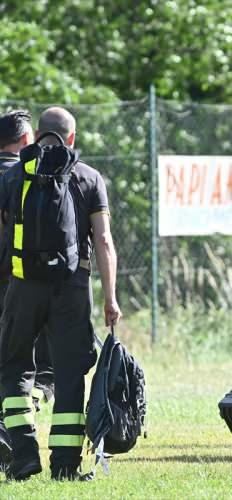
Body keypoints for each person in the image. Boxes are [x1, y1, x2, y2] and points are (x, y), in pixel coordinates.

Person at [0, 107, 122, 481]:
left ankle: (22, 454)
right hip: (72, 288)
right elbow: (102, 239)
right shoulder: (88, 177)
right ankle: (65, 465)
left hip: (22, 287)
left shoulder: (16, 175)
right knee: (69, 374)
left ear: (37, 135)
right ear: (71, 138)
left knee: (14, 366)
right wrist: (110, 298)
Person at [0, 110, 56, 471]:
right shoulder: (25, 176)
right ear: (25, 141)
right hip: (19, 284)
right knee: (30, 368)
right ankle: (11, 432)